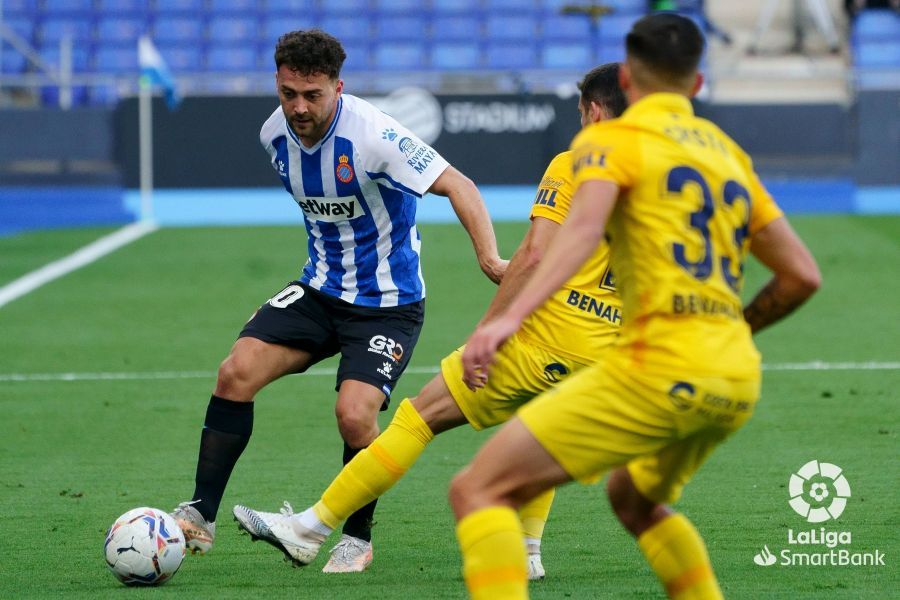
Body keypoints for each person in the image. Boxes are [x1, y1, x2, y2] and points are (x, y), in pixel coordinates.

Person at [451, 13, 821, 599]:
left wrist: (506, 321)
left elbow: (576, 236)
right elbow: (802, 275)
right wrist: (735, 331)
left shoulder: (607, 140)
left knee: (478, 491)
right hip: (734, 376)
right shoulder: (728, 155)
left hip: (657, 366)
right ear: (697, 85)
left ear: (626, 79)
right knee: (635, 499)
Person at [231, 63, 628, 580]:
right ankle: (527, 550)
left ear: (594, 111)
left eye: (580, 113)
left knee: (418, 417)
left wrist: (489, 331)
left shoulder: (578, 162)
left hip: (548, 338)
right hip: (610, 349)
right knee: (541, 427)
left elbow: (532, 256)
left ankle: (311, 528)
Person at [171, 28, 507, 574]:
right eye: (288, 94)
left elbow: (460, 185)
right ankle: (200, 516)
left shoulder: (375, 135)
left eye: (313, 95)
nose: (299, 108)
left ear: (338, 88)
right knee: (236, 372)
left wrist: (490, 259)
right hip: (320, 289)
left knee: (354, 416)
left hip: (387, 303)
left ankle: (357, 536)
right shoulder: (272, 135)